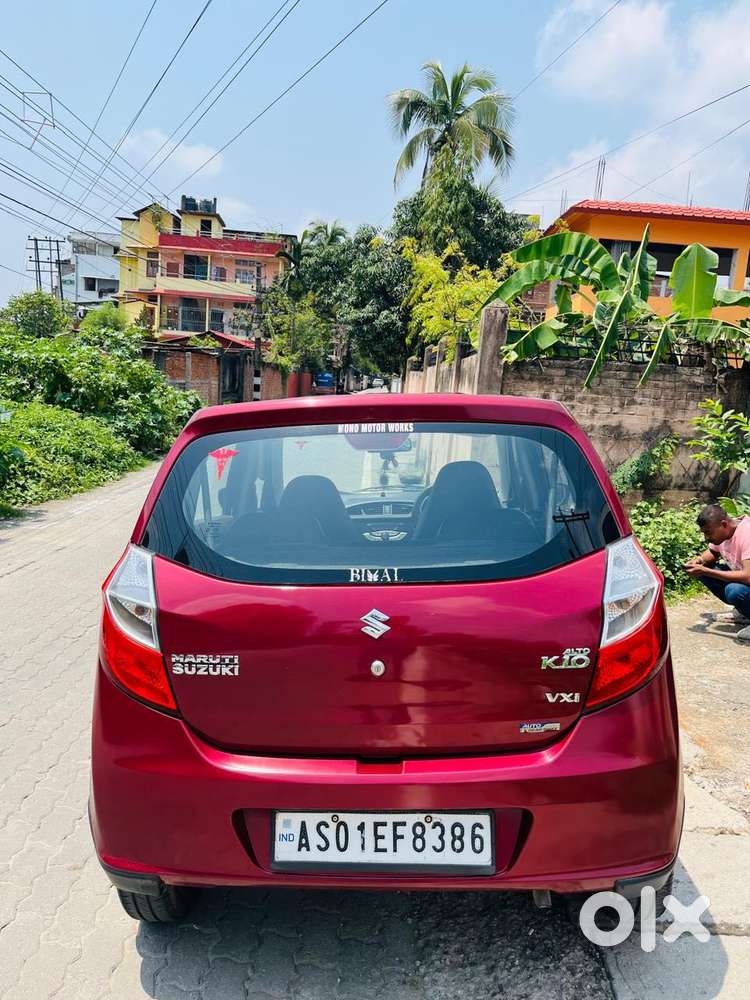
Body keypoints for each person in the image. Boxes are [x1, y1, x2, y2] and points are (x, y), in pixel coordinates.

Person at [685, 504, 750, 641]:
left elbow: (748, 576)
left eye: (708, 532)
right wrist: (699, 560)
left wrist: (706, 570)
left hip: (747, 578)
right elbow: (712, 552)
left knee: (734, 590)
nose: (706, 537)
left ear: (724, 524)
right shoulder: (724, 533)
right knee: (703, 571)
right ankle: (745, 613)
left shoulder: (747, 534)